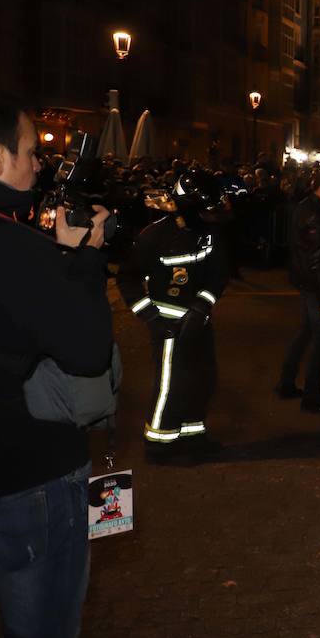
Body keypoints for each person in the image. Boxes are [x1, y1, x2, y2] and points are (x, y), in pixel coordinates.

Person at [0, 102, 113, 638]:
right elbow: (89, 349)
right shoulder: (17, 251)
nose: (40, 166)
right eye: (31, 151)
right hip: (29, 481)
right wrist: (84, 258)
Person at [117, 170, 230, 460]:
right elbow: (127, 279)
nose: (211, 214)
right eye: (205, 209)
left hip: (199, 322)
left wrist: (202, 306)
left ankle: (192, 436)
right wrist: (153, 320)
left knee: (203, 379)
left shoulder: (209, 233)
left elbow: (218, 275)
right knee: (170, 384)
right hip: (168, 326)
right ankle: (159, 443)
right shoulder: (154, 236)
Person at [277, 168, 320, 414]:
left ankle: (286, 383)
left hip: (306, 283)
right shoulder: (317, 215)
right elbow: (316, 261)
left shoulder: (309, 209)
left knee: (306, 333)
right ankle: (312, 395)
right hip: (315, 287)